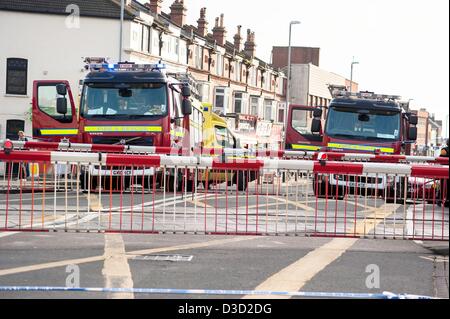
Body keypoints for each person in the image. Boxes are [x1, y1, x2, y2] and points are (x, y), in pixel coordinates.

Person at [438, 139, 449, 207]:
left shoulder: (444, 150)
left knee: (443, 187)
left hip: (445, 171)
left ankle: (443, 200)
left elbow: (440, 159)